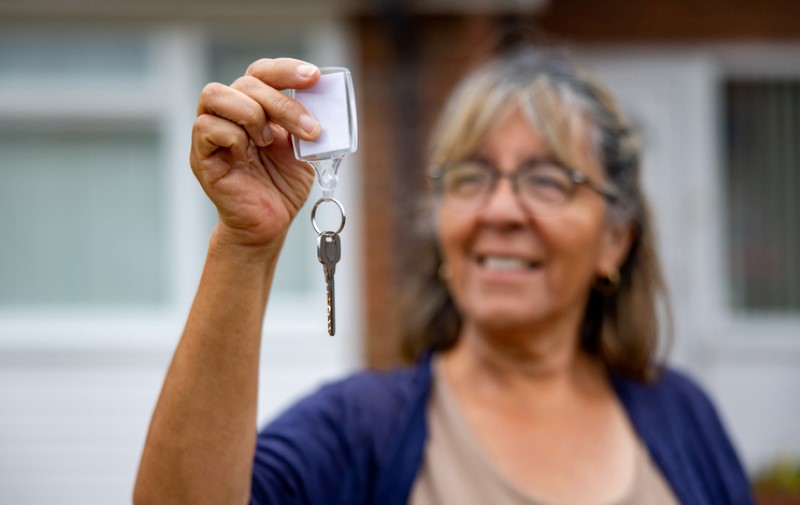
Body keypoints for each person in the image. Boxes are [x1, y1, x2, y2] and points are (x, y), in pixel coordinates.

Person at [134, 48, 755, 505]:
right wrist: (245, 245)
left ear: (614, 241)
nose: (501, 210)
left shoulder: (683, 415)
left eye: (546, 179)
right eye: (470, 177)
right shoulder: (358, 431)